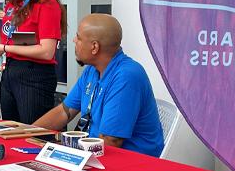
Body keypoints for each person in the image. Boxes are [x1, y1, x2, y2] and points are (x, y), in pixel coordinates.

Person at [34, 14, 165, 156]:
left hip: (130, 162)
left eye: (78, 37)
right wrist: (28, 133)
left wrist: (67, 156)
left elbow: (110, 141)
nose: (73, 40)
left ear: (94, 47)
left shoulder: (127, 76)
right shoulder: (92, 69)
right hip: (95, 153)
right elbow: (64, 112)